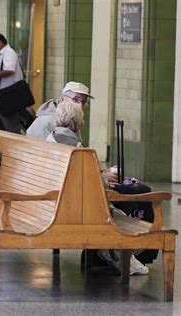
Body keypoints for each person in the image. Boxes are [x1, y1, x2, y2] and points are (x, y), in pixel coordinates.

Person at [47, 101, 149, 276]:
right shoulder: (78, 149)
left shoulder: (50, 139)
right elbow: (92, 185)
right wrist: (107, 180)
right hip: (73, 206)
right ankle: (122, 258)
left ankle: (108, 253)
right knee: (123, 209)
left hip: (55, 200)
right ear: (78, 122)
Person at [27, 81, 118, 184]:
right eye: (75, 100)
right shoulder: (50, 122)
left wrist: (102, 172)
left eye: (83, 102)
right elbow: (66, 167)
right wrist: (102, 177)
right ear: (62, 98)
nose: (79, 106)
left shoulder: (65, 118)